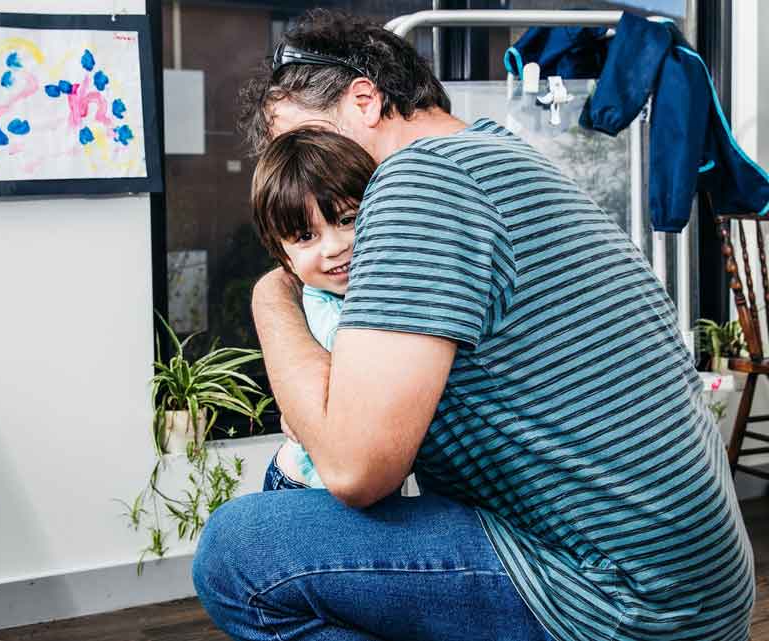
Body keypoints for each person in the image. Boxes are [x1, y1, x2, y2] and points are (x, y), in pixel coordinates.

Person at [193, 10, 755, 641]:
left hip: (626, 603)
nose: (298, 173)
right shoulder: (507, 157)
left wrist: (273, 295)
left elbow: (354, 470)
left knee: (239, 551)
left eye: (298, 141)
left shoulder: (418, 181)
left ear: (364, 99)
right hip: (701, 587)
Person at [250, 127, 376, 490]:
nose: (334, 247)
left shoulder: (369, 290)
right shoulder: (322, 308)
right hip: (299, 485)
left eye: (347, 220)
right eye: (306, 236)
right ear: (284, 257)